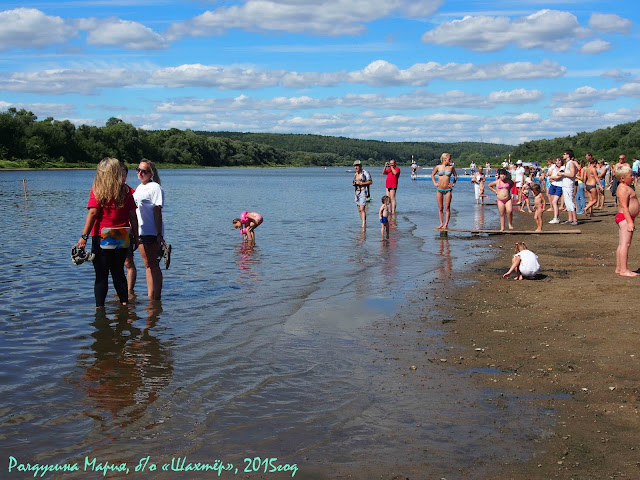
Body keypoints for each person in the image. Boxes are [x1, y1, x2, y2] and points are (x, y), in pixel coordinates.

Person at [77, 157, 139, 308]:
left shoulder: (98, 189)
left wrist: (83, 237)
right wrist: (136, 237)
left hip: (102, 236)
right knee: (118, 272)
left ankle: (100, 309)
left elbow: (93, 213)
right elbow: (133, 216)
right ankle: (124, 303)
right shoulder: (125, 190)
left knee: (101, 276)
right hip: (122, 235)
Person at [133, 158, 165, 301]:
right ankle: (152, 297)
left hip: (151, 231)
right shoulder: (139, 187)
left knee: (152, 265)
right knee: (148, 265)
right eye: (138, 170)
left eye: (144, 171)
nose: (140, 173)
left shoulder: (155, 187)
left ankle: (154, 298)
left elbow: (158, 211)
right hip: (140, 230)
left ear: (151, 173)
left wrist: (159, 234)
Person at [614, 165, 639, 277]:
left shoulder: (624, 186)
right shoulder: (623, 188)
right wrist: (630, 222)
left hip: (624, 217)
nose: (632, 177)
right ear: (623, 178)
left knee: (622, 244)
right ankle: (624, 269)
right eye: (630, 176)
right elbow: (624, 207)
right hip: (625, 218)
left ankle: (619, 268)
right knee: (625, 244)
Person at [121, 163, 137, 298]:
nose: (122, 177)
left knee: (128, 262)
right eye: (120, 174)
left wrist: (135, 235)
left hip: (126, 232)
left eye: (124, 174)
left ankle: (130, 291)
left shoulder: (131, 192)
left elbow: (134, 216)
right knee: (113, 265)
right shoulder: (107, 191)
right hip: (109, 232)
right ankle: (120, 291)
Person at [431, 152, 457, 230]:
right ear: (444, 159)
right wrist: (435, 183)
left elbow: (455, 175)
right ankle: (441, 223)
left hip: (448, 189)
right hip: (439, 189)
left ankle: (446, 224)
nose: (450, 160)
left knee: (447, 207)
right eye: (449, 159)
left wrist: (453, 183)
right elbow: (432, 175)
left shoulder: (451, 167)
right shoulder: (438, 167)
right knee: (440, 208)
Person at [560, 150, 579, 225]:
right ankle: (570, 219)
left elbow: (572, 174)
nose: (563, 155)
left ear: (568, 155)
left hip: (569, 185)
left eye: (564, 154)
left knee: (570, 201)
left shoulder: (571, 163)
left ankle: (575, 219)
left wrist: (562, 173)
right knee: (567, 202)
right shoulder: (567, 163)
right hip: (565, 185)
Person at [352, 160, 372, 228]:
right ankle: (362, 222)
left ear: (360, 166)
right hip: (357, 192)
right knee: (359, 209)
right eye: (355, 166)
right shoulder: (355, 174)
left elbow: (370, 182)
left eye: (357, 166)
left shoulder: (365, 173)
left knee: (362, 208)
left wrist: (362, 183)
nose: (356, 167)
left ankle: (364, 224)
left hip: (363, 191)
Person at [547, 157, 564, 224]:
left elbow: (558, 177)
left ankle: (556, 218)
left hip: (559, 186)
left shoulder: (563, 168)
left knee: (554, 201)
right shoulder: (554, 168)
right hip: (553, 185)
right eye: (556, 161)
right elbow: (549, 175)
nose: (557, 162)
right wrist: (552, 178)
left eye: (559, 161)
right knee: (554, 202)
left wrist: (552, 177)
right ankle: (556, 216)